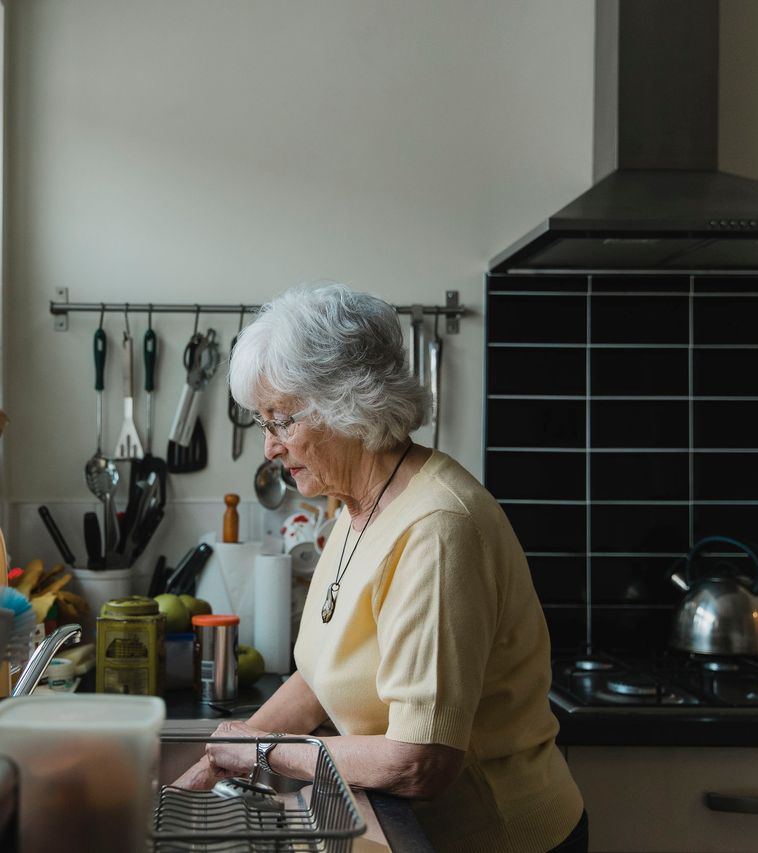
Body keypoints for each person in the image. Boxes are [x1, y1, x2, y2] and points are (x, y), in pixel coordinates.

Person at [173, 283, 587, 852]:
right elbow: (324, 677)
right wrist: (218, 763)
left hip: (497, 835)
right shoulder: (357, 505)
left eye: (280, 421)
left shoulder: (436, 528)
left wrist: (262, 752)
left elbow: (422, 760)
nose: (268, 447)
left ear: (347, 406)